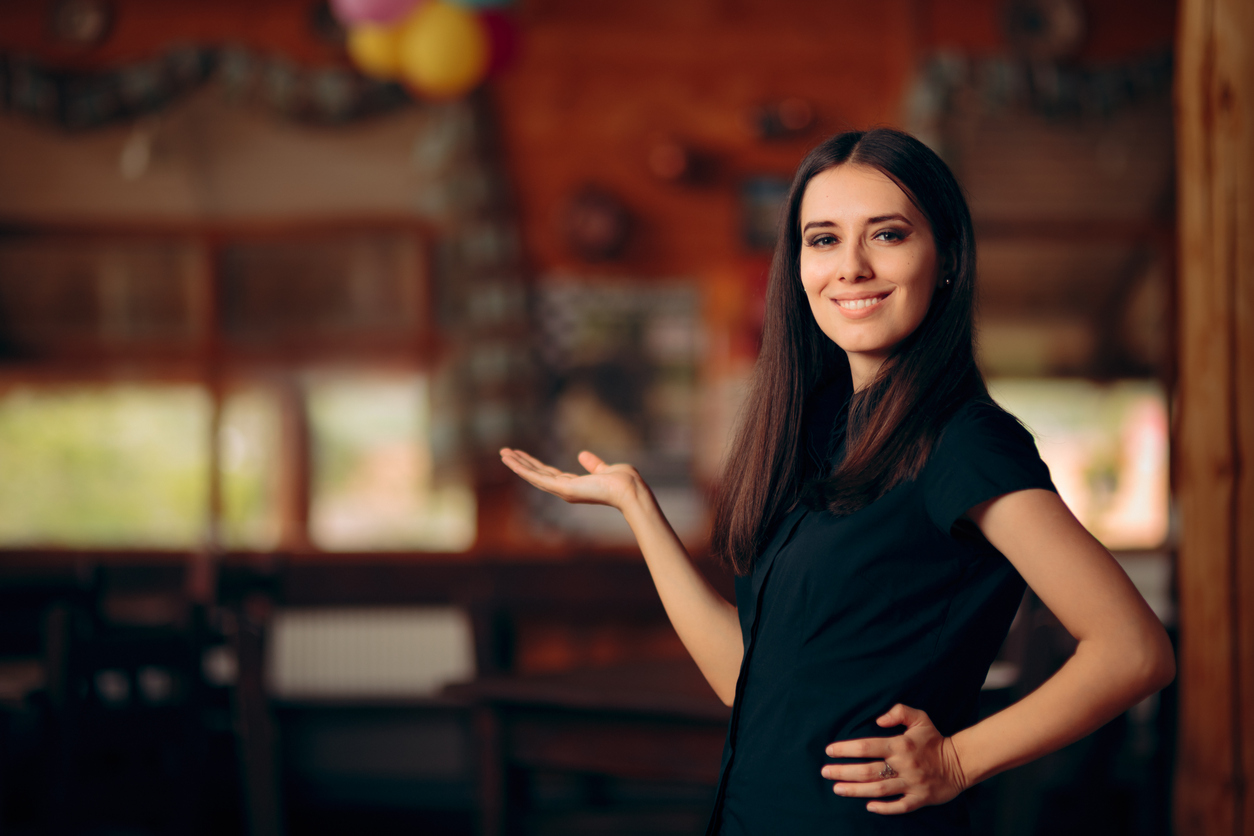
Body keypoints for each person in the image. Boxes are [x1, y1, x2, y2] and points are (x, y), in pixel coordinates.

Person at [499, 128, 1175, 834]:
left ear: (945, 258)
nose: (849, 267)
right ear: (796, 266)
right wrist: (637, 507)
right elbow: (749, 682)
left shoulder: (964, 441)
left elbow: (1131, 650)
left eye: (886, 235)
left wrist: (958, 761)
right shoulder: (818, 433)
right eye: (822, 240)